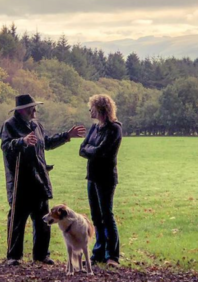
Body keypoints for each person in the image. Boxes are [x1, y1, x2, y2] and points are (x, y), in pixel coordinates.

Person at [1, 94, 86, 266]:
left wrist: (66, 136)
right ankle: (14, 256)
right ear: (23, 110)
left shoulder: (36, 125)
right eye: (32, 108)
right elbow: (6, 146)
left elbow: (45, 143)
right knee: (17, 220)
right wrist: (22, 141)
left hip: (39, 179)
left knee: (43, 221)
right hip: (20, 181)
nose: (35, 111)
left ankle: (41, 255)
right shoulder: (9, 125)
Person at [79, 94, 122, 267]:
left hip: (106, 178)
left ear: (101, 109)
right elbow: (82, 149)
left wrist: (91, 149)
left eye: (92, 107)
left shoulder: (114, 129)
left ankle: (112, 256)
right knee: (97, 217)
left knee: (107, 215)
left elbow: (101, 152)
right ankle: (98, 253)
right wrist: (92, 149)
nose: (90, 110)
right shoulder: (94, 128)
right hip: (92, 177)